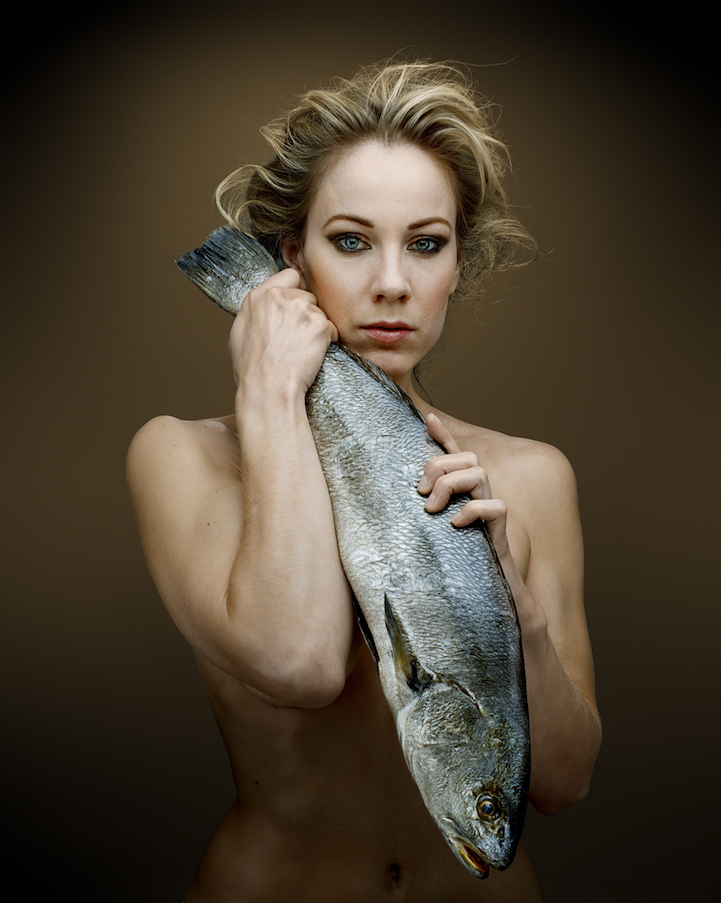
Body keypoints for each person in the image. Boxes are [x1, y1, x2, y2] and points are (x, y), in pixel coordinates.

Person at [127, 61, 601, 902]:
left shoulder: (530, 476)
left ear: (457, 264)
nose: (391, 282)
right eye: (350, 240)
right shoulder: (181, 456)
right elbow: (301, 661)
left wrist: (513, 606)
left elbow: (562, 784)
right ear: (292, 258)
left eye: (426, 243)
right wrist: (270, 391)